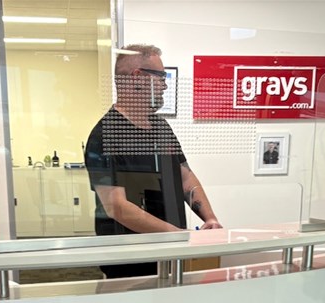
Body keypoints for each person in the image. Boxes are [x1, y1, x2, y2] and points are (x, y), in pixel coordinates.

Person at [84, 44, 222, 279]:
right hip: (129, 263)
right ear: (138, 78)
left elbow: (185, 176)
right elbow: (117, 206)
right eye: (161, 77)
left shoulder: (161, 127)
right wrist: (177, 234)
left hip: (169, 253)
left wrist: (210, 218)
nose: (165, 84)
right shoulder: (104, 134)